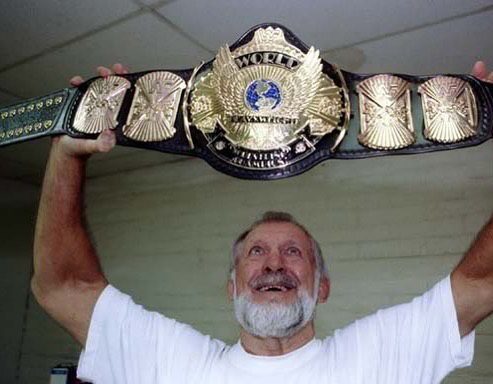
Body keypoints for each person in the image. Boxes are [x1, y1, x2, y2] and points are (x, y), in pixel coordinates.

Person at [32, 62, 493, 384]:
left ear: (324, 287)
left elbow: (480, 282)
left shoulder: (380, 357)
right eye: (257, 252)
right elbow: (62, 287)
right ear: (231, 286)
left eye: (294, 252)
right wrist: (67, 152)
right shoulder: (170, 364)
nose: (275, 264)